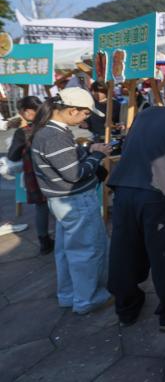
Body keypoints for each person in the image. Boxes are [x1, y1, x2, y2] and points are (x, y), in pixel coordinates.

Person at [106, 86, 165, 331]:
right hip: (158, 191)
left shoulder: (145, 113)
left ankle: (126, 309)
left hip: (123, 187)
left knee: (124, 250)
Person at [30, 88, 113, 314]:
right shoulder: (55, 135)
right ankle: (88, 299)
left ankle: (70, 295)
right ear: (72, 111)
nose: (86, 118)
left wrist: (88, 149)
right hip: (75, 200)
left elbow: (66, 163)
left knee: (68, 251)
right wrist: (97, 156)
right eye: (85, 114)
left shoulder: (48, 131)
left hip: (62, 201)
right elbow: (74, 174)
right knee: (88, 250)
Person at [7, 96, 54, 254]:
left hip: (35, 175)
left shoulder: (24, 132)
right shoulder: (52, 126)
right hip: (55, 174)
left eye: (21, 112)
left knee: (41, 208)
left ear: (27, 112)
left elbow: (12, 156)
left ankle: (44, 242)